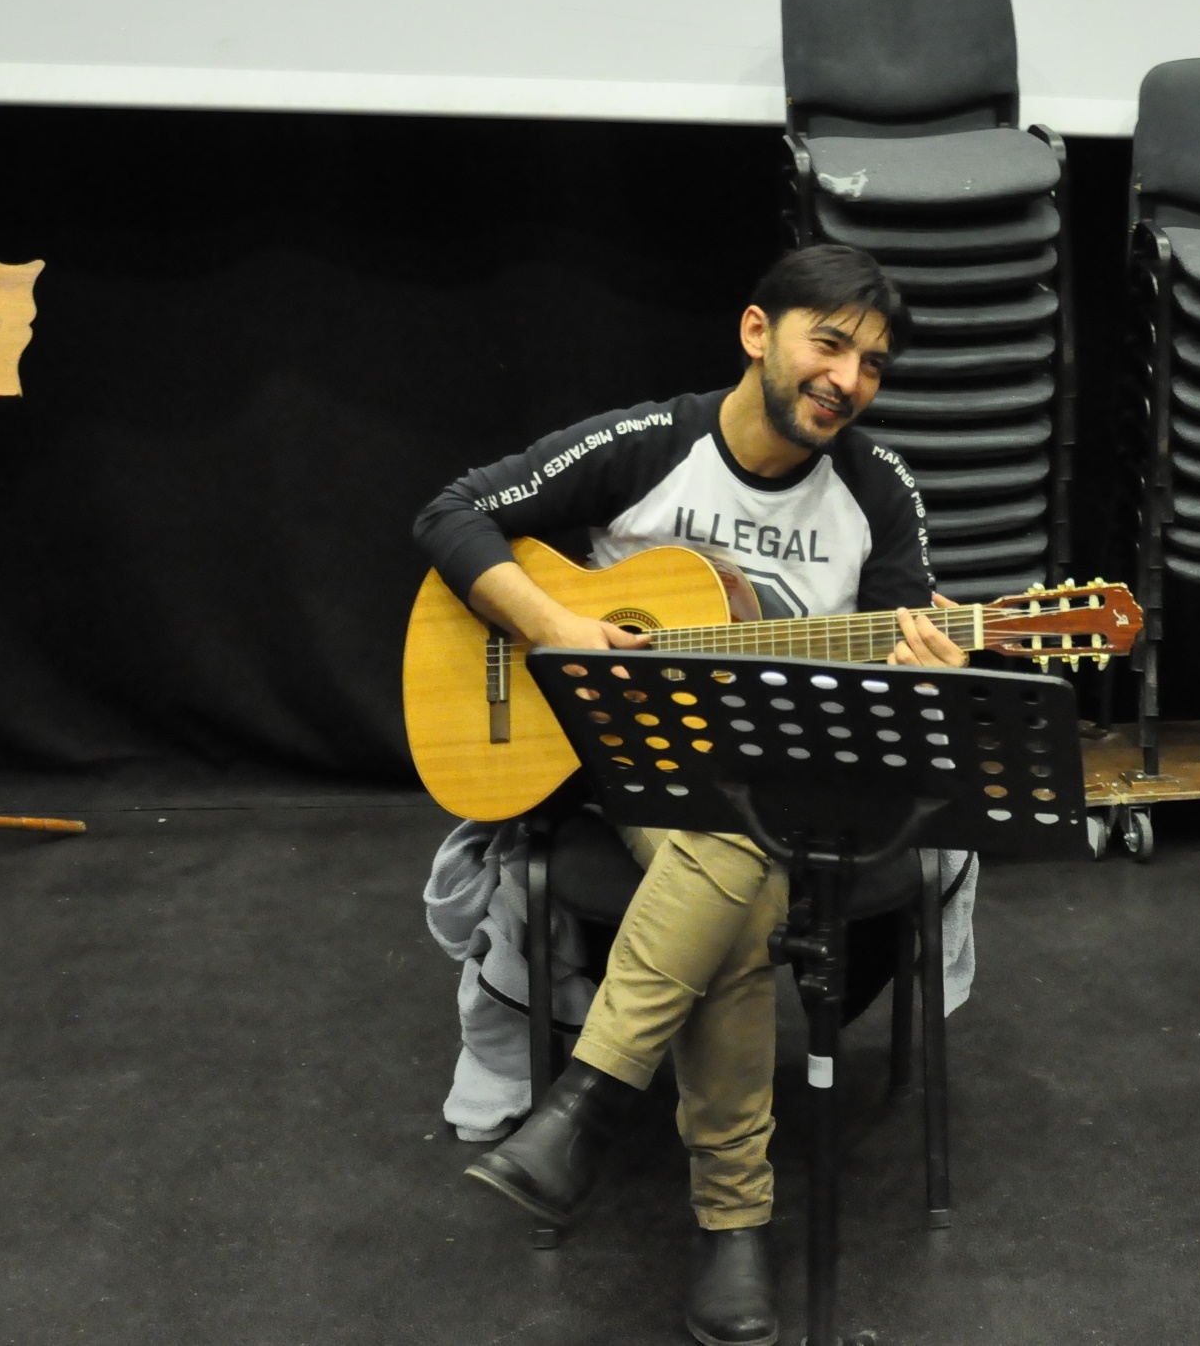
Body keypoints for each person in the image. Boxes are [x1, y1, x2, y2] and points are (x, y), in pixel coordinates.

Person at [411, 244, 967, 1346]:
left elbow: (898, 684)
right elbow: (451, 512)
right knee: (738, 869)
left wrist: (926, 675)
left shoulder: (877, 490)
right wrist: (559, 626)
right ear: (758, 332)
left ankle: (589, 1107)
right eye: (830, 344)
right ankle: (731, 1223)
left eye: (872, 364)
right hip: (618, 762)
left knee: (737, 865)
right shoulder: (651, 443)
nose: (848, 380)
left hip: (788, 776)